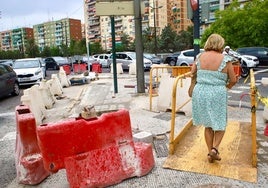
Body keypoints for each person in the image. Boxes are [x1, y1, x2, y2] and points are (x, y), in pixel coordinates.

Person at [190, 34, 237, 163]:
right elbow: (233, 80)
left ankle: (210, 151)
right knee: (220, 123)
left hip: (201, 92)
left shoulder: (199, 57)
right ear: (220, 44)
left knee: (208, 124)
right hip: (217, 92)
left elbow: (192, 72)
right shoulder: (225, 59)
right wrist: (225, 87)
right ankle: (214, 150)